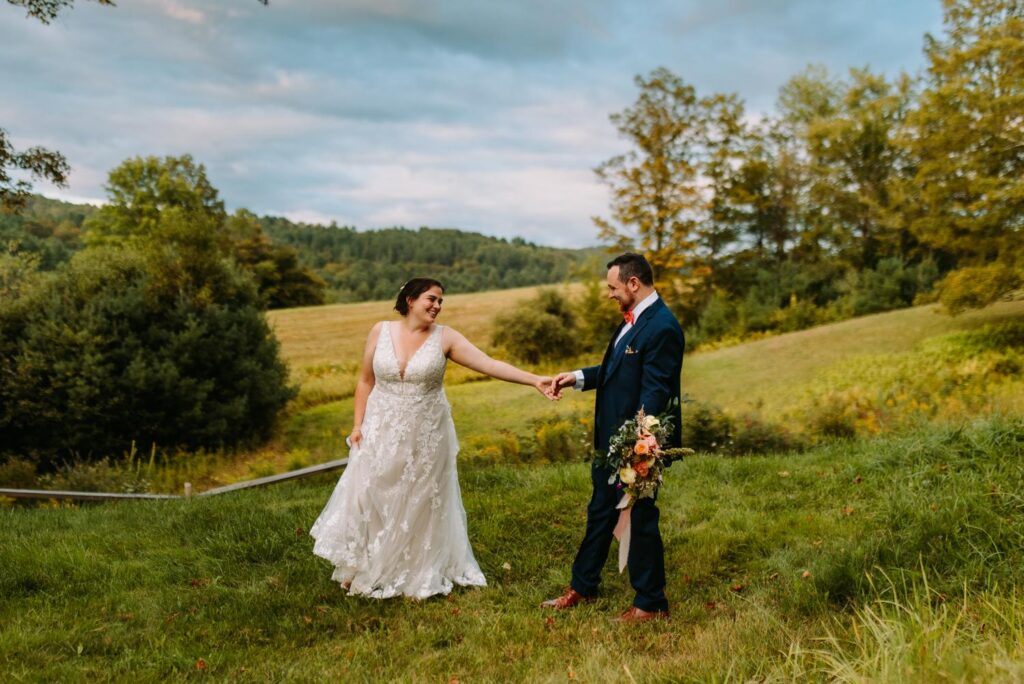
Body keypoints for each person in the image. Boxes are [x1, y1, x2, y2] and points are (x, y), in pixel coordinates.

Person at [310, 277, 555, 599]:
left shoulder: (445, 338)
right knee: (372, 494)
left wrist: (535, 379)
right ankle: (365, 566)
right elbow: (364, 381)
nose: (437, 306)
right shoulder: (379, 331)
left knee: (418, 499)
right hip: (380, 428)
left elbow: (489, 364)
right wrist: (358, 426)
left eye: (441, 301)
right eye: (432, 298)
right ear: (410, 300)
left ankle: (414, 570)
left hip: (426, 434)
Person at [544, 253, 684, 623]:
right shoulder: (635, 321)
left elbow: (654, 394)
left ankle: (651, 603)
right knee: (600, 510)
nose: (610, 294)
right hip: (610, 442)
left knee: (640, 517)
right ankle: (584, 586)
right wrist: (577, 377)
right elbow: (617, 370)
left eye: (613, 287)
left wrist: (641, 450)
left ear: (633, 284)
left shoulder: (662, 327)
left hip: (637, 445)